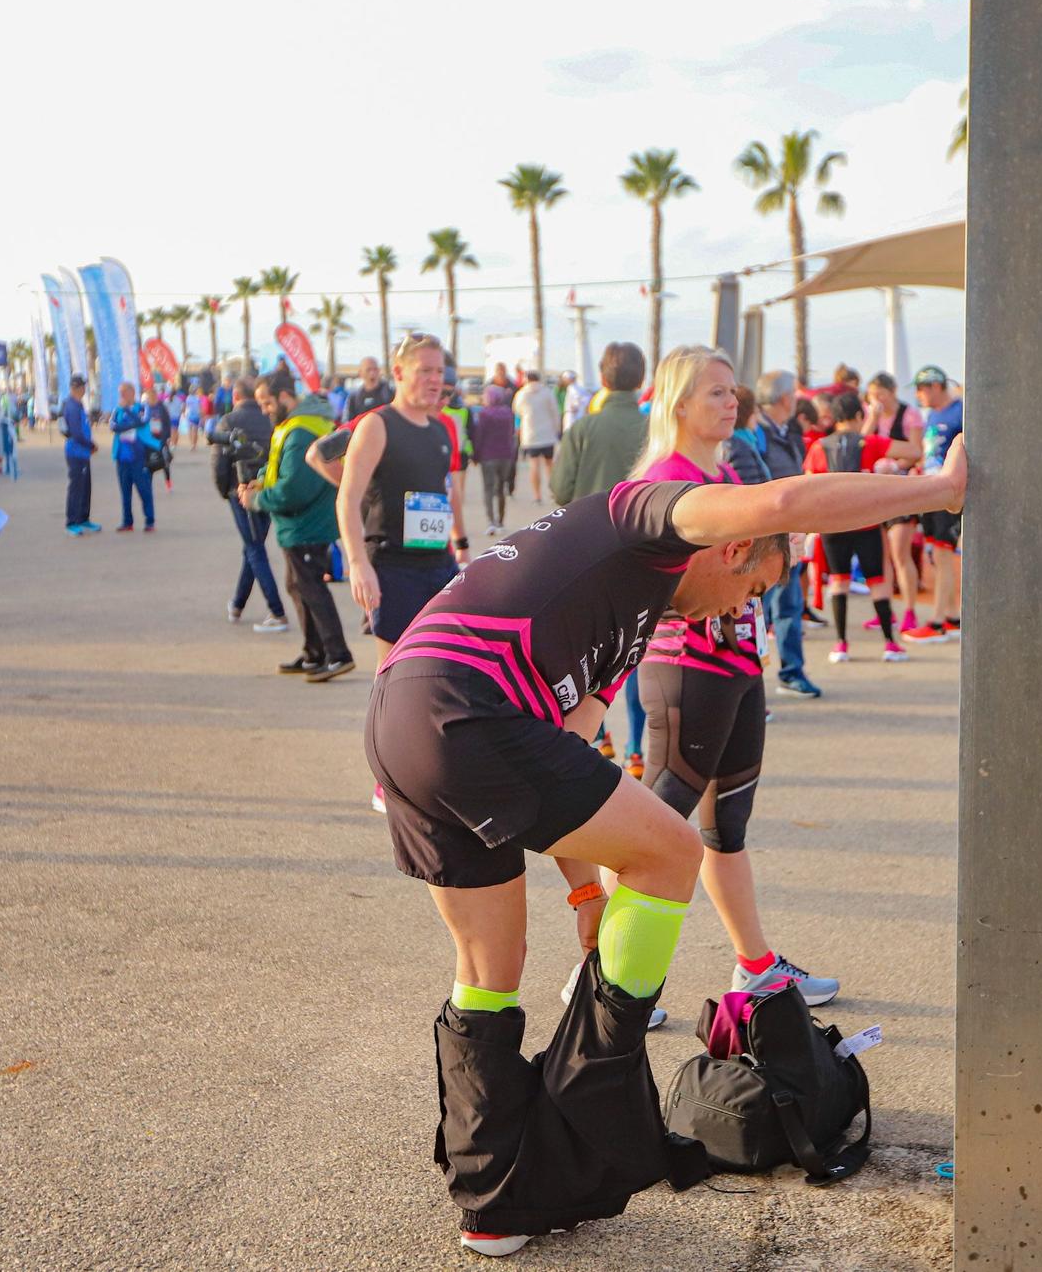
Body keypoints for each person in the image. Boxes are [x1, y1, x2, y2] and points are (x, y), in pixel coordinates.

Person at [368, 425, 966, 1256]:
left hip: (404, 711)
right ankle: (591, 1106)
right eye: (750, 589)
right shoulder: (647, 515)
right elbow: (792, 499)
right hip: (462, 702)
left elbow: (562, 749)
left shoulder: (634, 620)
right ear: (732, 549)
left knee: (486, 971)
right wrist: (939, 488)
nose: (736, 613)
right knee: (674, 851)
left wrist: (586, 894)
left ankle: (494, 1200)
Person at [633, 345, 840, 1011]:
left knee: (728, 826)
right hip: (686, 667)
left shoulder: (723, 467)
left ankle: (755, 965)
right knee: (649, 826)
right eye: (715, 392)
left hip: (738, 663)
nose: (731, 402)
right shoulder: (668, 480)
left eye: (733, 391)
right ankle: (605, 976)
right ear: (679, 405)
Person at [336, 332, 467, 673]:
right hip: (393, 567)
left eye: (439, 372)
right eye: (425, 371)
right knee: (396, 671)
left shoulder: (439, 430)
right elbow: (347, 499)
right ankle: (382, 728)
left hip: (439, 564)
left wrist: (460, 544)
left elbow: (444, 495)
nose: (436, 380)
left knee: (444, 668)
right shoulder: (377, 426)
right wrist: (358, 563)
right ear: (398, 373)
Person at [550, 342, 653, 767]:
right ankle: (637, 749)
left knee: (592, 652)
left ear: (604, 378)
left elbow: (560, 489)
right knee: (636, 653)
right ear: (641, 380)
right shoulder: (655, 431)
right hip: (645, 558)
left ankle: (600, 735)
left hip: (586, 555)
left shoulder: (583, 430)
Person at [245, 373, 352, 682]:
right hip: (303, 525)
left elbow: (294, 489)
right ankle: (314, 653)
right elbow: (282, 467)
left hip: (307, 526)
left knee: (311, 587)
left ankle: (337, 654)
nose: (264, 409)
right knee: (299, 585)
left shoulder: (300, 432)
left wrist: (257, 499)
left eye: (267, 402)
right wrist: (263, 480)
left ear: (284, 397)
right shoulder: (297, 427)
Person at [803, 391, 919, 662]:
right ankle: (890, 644)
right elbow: (914, 451)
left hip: (832, 524)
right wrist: (888, 467)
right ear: (858, 416)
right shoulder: (870, 442)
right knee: (877, 581)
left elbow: (808, 484)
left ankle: (841, 644)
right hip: (865, 522)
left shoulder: (819, 448)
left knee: (839, 581)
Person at [747, 369, 822, 699]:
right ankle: (749, 681)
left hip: (788, 534)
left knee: (789, 605)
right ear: (784, 398)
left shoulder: (783, 429)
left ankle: (791, 672)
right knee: (756, 608)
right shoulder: (756, 433)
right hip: (764, 535)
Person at [211, 383, 287, 632]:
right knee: (253, 548)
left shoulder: (228, 420)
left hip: (241, 490)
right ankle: (237, 604)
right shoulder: (269, 419)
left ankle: (277, 611)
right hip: (265, 487)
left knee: (254, 549)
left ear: (235, 396)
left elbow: (219, 462)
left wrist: (225, 490)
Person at [858, 373, 926, 629]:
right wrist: (872, 418)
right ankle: (886, 610)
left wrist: (895, 464)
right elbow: (860, 444)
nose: (877, 400)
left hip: (900, 489)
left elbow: (916, 451)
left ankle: (910, 610)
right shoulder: (871, 415)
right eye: (873, 395)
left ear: (892, 391)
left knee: (900, 552)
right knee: (881, 554)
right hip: (876, 491)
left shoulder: (910, 415)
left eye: (881, 394)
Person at [902, 365, 962, 644]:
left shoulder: (959, 412)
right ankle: (951, 616)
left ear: (936, 386)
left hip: (947, 491)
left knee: (943, 555)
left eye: (922, 388)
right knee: (938, 557)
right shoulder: (933, 415)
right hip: (931, 489)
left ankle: (938, 621)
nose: (918, 395)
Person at [110, 382, 159, 532]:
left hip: (139, 457)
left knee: (144, 490)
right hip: (122, 457)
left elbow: (142, 422)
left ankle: (149, 521)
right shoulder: (117, 410)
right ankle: (127, 521)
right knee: (125, 492)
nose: (122, 396)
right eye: (120, 393)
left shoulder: (142, 407)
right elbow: (113, 426)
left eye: (124, 392)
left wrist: (127, 411)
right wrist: (130, 424)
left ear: (132, 392)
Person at [471, 383, 518, 534]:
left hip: (488, 456)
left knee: (488, 489)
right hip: (505, 456)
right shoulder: (508, 413)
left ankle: (491, 522)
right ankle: (501, 522)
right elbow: (511, 435)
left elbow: (479, 436)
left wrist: (476, 455)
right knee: (501, 489)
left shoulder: (485, 414)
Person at [514, 367, 562, 504]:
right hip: (547, 434)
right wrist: (556, 429)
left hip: (530, 434)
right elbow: (555, 412)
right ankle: (553, 493)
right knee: (549, 464)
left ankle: (537, 495)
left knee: (534, 465)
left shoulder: (522, 394)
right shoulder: (547, 392)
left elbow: (517, 410)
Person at [61, 377, 101, 535]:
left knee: (85, 486)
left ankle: (83, 518)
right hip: (76, 452)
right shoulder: (71, 406)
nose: (85, 388)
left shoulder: (78, 404)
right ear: (77, 388)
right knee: (76, 487)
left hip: (82, 452)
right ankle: (71, 521)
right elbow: (76, 433)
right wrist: (91, 445)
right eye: (83, 386)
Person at [345, 356, 393, 423]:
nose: (372, 373)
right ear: (360, 373)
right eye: (368, 370)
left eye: (375, 369)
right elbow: (348, 423)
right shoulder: (354, 398)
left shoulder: (390, 394)